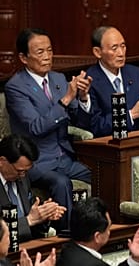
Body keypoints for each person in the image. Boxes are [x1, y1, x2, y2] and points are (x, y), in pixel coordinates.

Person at [5, 28, 92, 231]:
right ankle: (66, 237)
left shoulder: (59, 79)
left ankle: (101, 228)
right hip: (37, 161)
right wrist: (66, 99)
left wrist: (83, 98)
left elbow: (81, 122)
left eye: (50, 51)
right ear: (23, 58)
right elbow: (36, 127)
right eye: (40, 52)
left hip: (65, 157)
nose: (47, 57)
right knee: (61, 184)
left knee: (103, 174)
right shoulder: (15, 87)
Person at [83, 26, 139, 137]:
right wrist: (132, 114)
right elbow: (96, 126)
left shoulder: (136, 73)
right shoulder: (89, 81)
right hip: (110, 144)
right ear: (97, 52)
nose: (121, 53)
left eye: (123, 46)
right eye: (114, 48)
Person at [56, 197, 139, 266]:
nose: (109, 232)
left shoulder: (68, 250)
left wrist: (134, 259)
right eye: (108, 228)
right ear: (97, 237)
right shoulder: (91, 264)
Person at [0, 134, 66, 242]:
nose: (22, 175)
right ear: (2, 161)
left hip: (28, 245)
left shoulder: (23, 178)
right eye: (19, 170)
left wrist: (44, 215)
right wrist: (29, 220)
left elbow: (32, 220)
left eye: (26, 171)